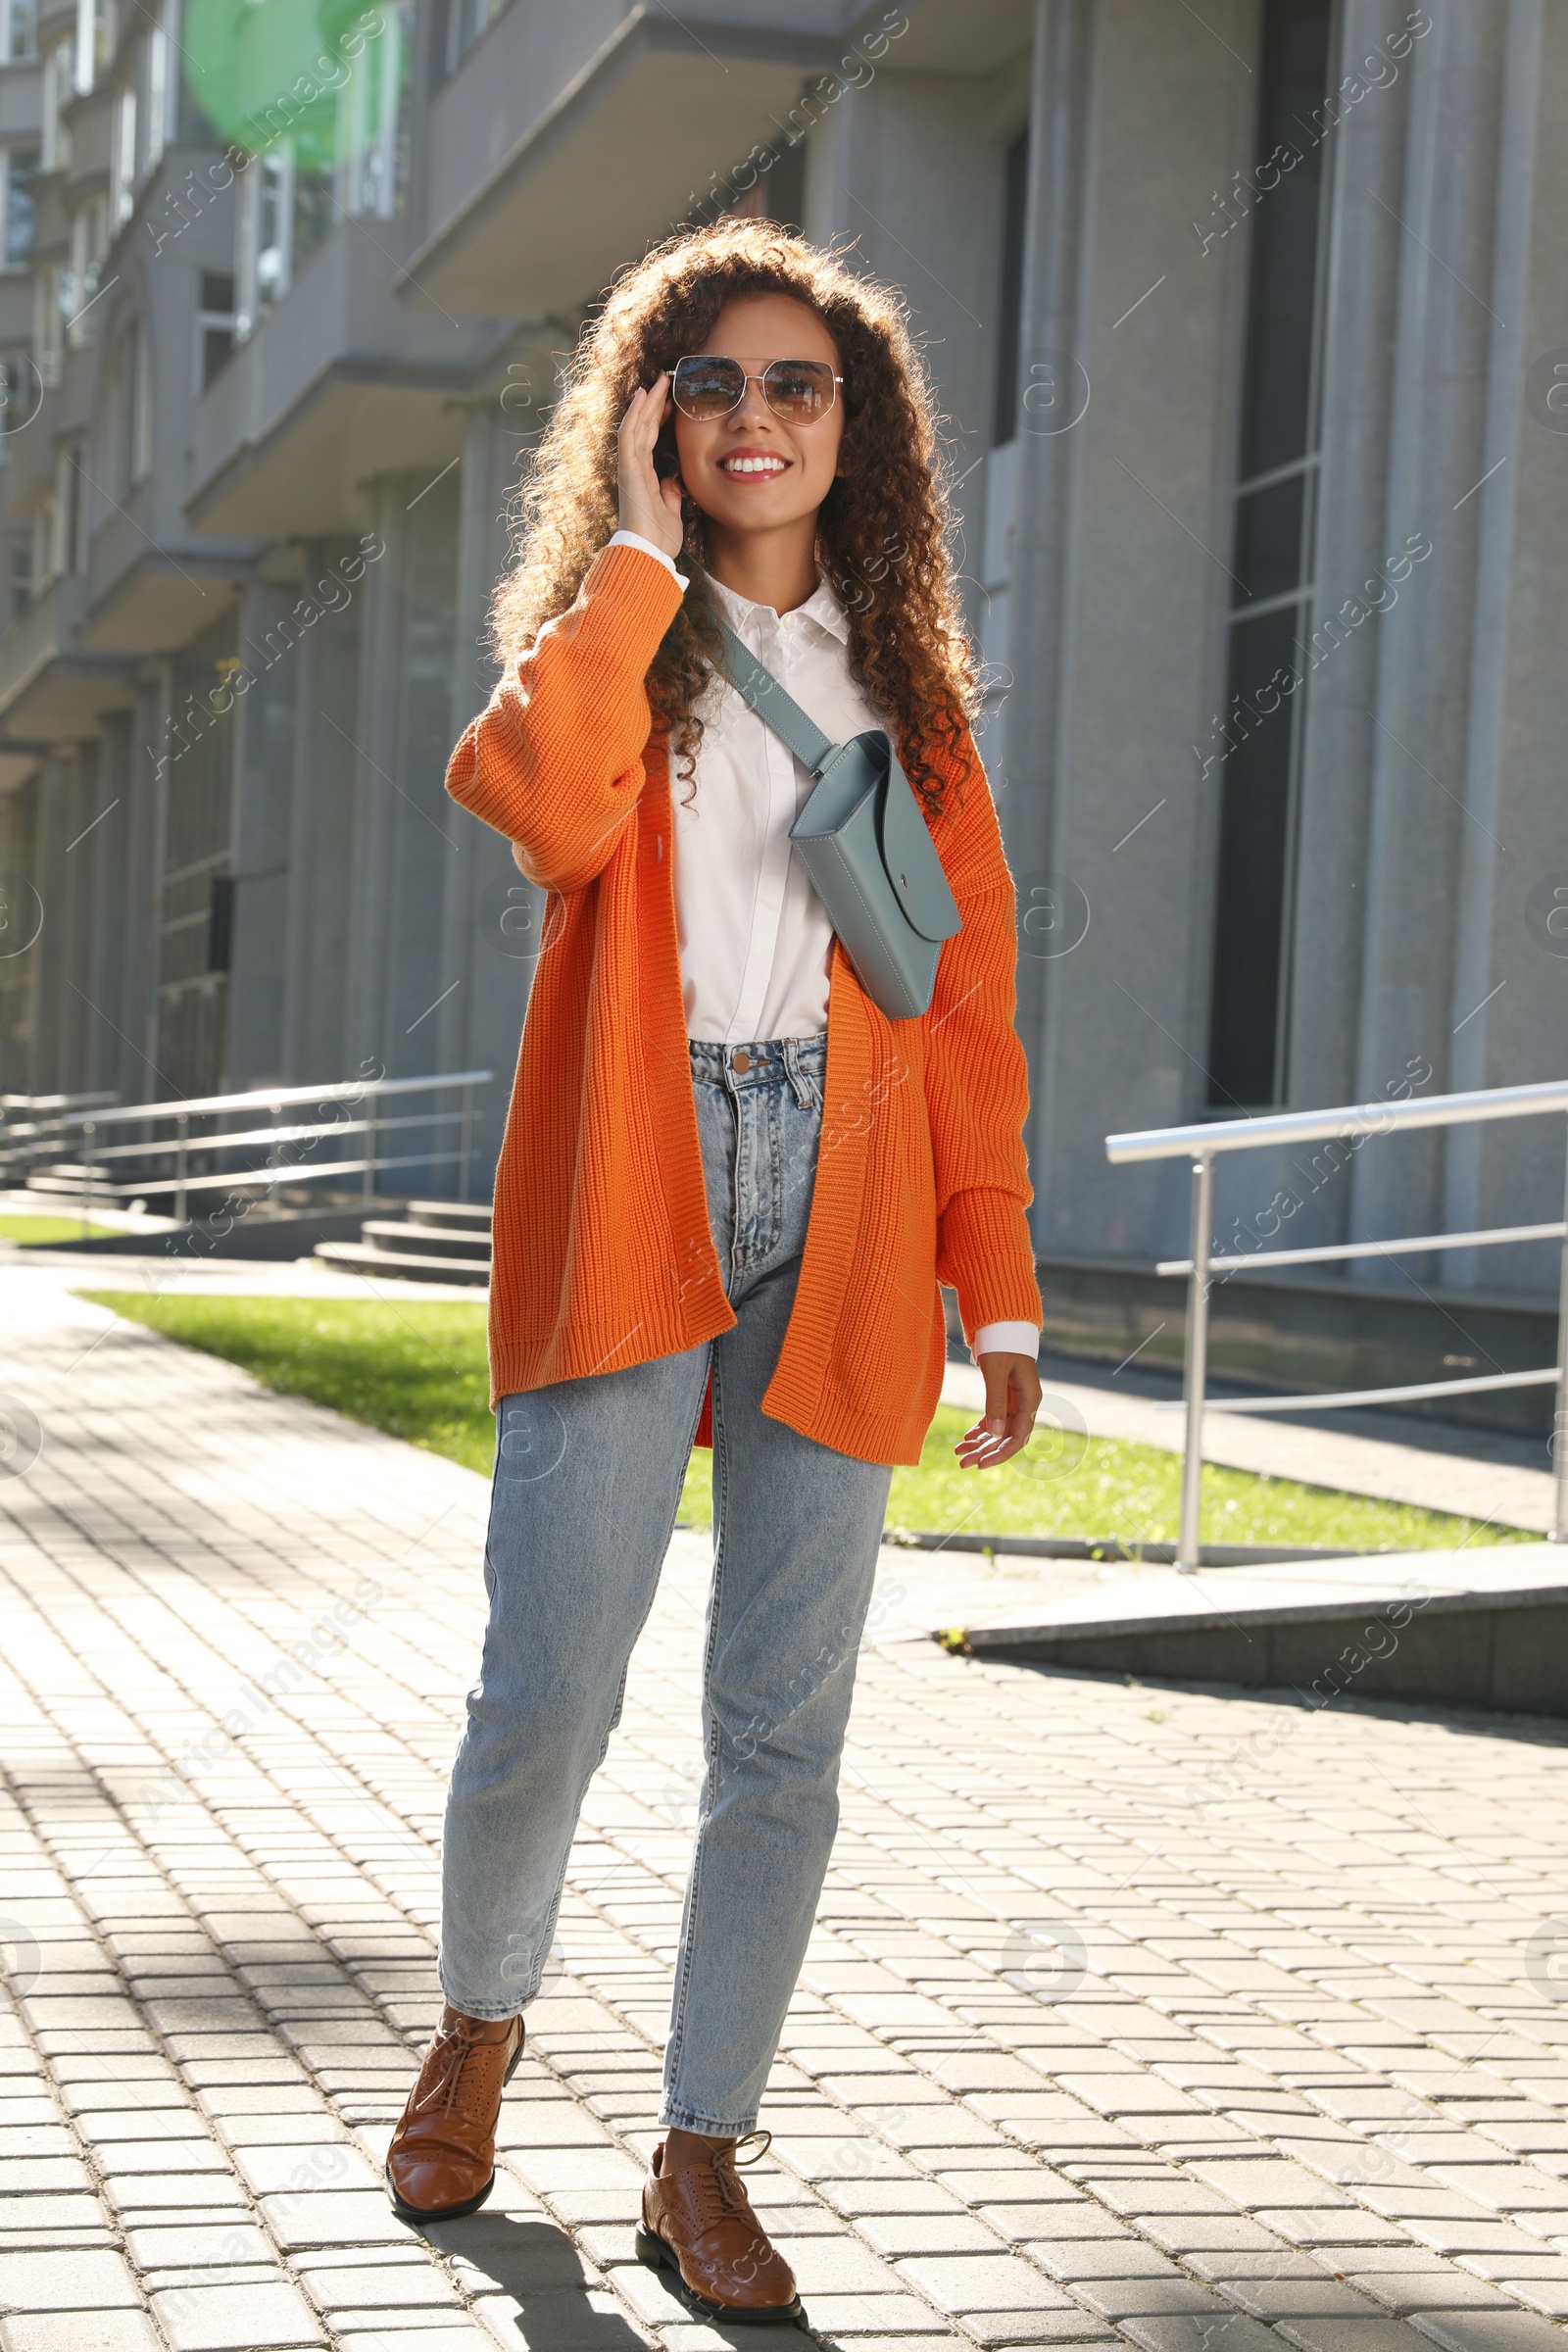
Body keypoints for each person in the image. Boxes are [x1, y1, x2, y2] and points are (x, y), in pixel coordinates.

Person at [384, 218, 1044, 2327]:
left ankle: (700, 2152)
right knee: (542, 1695)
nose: (758, 417)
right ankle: (479, 2023)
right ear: (657, 420)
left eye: (798, 386)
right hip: (632, 1181)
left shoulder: (913, 702)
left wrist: (995, 1279)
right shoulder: (617, 641)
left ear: (857, 430)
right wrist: (635, 569)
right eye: (716, 385)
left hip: (840, 1211)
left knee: (783, 1728)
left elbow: (961, 1014)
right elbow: (536, 810)